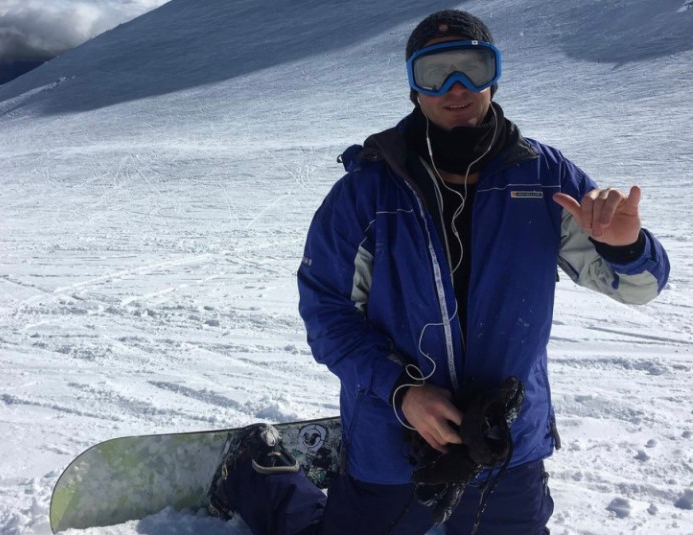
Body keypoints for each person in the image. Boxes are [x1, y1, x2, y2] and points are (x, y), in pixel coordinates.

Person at [208, 9, 670, 535]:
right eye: (435, 73)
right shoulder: (367, 191)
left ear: (493, 76)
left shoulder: (545, 179)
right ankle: (255, 468)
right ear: (413, 87)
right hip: (393, 434)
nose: (457, 89)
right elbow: (324, 310)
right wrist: (401, 391)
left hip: (503, 439)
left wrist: (627, 246)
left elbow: (643, 288)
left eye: (473, 67)